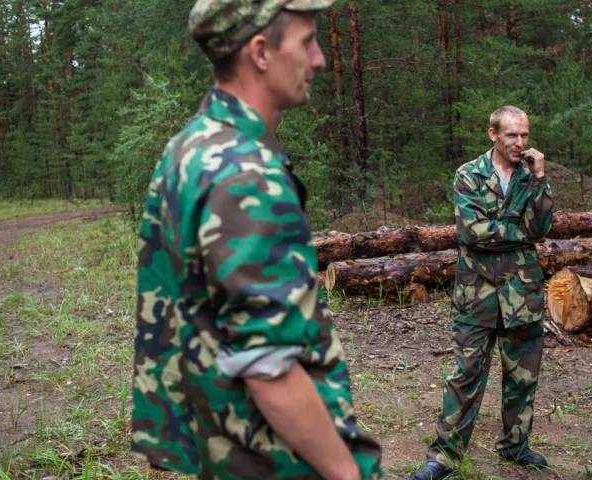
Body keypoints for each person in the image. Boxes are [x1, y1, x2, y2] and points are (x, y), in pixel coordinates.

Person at [130, 1, 381, 479]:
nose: (320, 59)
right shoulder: (247, 174)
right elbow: (268, 366)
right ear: (261, 52)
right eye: (306, 42)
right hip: (272, 457)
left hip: (221, 444)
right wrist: (345, 472)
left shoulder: (190, 146)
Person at [413, 106, 554, 480]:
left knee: (523, 375)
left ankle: (515, 446)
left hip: (522, 293)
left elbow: (540, 229)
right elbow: (472, 233)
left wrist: (539, 179)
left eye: (524, 135)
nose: (520, 143)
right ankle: (444, 456)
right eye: (512, 136)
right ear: (493, 135)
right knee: (465, 374)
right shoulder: (468, 175)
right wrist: (517, 230)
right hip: (477, 293)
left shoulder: (531, 175)